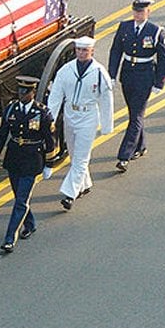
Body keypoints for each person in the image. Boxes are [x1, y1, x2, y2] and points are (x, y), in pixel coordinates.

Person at [0, 76, 56, 253]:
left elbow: (50, 140)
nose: (22, 95)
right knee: (19, 197)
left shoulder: (42, 113)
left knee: (21, 201)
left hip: (32, 160)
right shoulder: (11, 109)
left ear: (33, 93)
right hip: (14, 159)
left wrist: (49, 163)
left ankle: (10, 238)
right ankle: (30, 224)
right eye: (20, 91)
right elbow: (1, 134)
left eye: (25, 92)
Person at [46, 36, 114, 210]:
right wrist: (49, 120)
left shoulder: (99, 72)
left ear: (92, 51)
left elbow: (106, 100)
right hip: (70, 115)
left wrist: (107, 126)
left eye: (85, 50)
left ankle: (70, 193)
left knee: (82, 158)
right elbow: (55, 96)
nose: (82, 53)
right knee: (74, 154)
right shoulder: (65, 70)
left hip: (88, 117)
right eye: (79, 50)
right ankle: (85, 184)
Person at [108, 0, 165, 172]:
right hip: (127, 74)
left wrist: (159, 82)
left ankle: (124, 156)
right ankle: (141, 145)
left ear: (148, 12)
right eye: (135, 11)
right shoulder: (124, 27)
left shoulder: (155, 31)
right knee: (134, 112)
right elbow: (116, 51)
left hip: (144, 76)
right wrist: (112, 74)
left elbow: (163, 59)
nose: (137, 14)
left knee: (136, 117)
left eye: (141, 11)